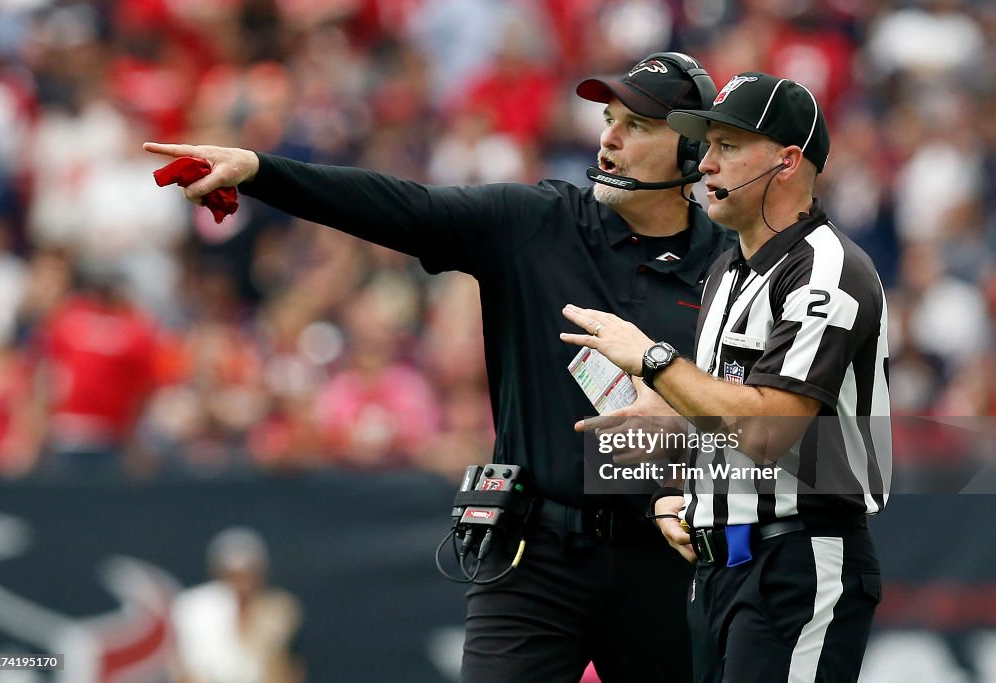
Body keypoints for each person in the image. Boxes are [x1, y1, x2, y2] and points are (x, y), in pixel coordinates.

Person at [146, 52, 733, 683]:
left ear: (695, 154)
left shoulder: (738, 268)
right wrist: (261, 171)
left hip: (670, 557)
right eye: (609, 118)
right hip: (535, 551)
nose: (609, 136)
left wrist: (685, 427)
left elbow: (801, 438)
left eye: (637, 125)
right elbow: (405, 208)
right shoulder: (539, 222)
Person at [560, 72, 891, 682]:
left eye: (729, 146)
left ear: (788, 162)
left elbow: (768, 430)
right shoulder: (726, 270)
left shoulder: (827, 267)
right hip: (722, 564)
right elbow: (726, 422)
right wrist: (686, 492)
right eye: (706, 145)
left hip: (798, 556)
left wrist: (654, 363)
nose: (706, 164)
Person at [170, 526, 304, 683]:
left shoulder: (280, 612)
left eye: (248, 575)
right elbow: (186, 673)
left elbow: (289, 671)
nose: (242, 585)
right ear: (217, 573)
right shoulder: (194, 609)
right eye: (233, 576)